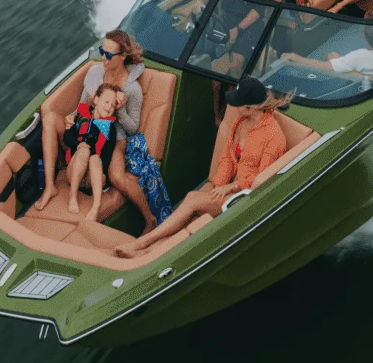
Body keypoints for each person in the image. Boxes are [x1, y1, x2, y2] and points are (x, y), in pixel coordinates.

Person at [114, 78, 288, 258]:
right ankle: (149, 251)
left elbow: (262, 179)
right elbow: (227, 158)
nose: (233, 105)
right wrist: (217, 185)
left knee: (192, 200)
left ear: (250, 107)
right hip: (227, 189)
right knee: (193, 211)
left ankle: (141, 243)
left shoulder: (274, 136)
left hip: (244, 197)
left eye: (238, 102)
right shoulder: (240, 122)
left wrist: (231, 187)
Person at [34, 29, 146, 213]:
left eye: (108, 55)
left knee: (118, 178)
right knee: (50, 118)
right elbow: (82, 107)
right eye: (102, 51)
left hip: (113, 138)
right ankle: (49, 187)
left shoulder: (133, 89)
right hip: (85, 130)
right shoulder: (94, 73)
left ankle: (150, 218)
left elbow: (132, 128)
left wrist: (120, 109)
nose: (103, 58)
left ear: (123, 56)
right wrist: (72, 117)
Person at [36, 83, 124, 220]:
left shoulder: (110, 129)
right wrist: (78, 142)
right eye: (106, 102)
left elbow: (106, 157)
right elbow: (68, 138)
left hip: (92, 175)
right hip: (75, 169)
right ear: (96, 100)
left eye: (113, 105)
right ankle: (72, 196)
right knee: (83, 151)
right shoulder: (81, 114)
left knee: (93, 158)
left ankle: (95, 207)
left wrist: (92, 154)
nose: (109, 107)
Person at [281, 22, 373, 79]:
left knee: (331, 56)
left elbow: (324, 67)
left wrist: (294, 57)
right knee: (333, 56)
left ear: (365, 36)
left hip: (362, 81)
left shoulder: (359, 57)